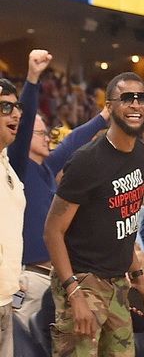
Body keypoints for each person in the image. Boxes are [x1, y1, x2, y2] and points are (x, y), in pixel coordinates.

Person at [43, 72, 144, 356]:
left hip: (118, 281)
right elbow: (53, 231)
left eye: (141, 98)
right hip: (82, 279)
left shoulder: (139, 153)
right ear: (109, 106)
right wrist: (73, 293)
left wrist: (138, 274)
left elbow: (126, 222)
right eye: (126, 98)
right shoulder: (86, 160)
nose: (135, 104)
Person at [9, 50, 112, 327]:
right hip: (28, 278)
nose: (48, 138)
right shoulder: (18, 167)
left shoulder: (45, 168)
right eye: (41, 133)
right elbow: (25, 122)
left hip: (52, 278)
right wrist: (32, 79)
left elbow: (72, 142)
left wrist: (104, 115)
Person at [0, 77, 25, 356]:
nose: (16, 114)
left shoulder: (8, 165)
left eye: (17, 107)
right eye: (5, 107)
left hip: (6, 298)